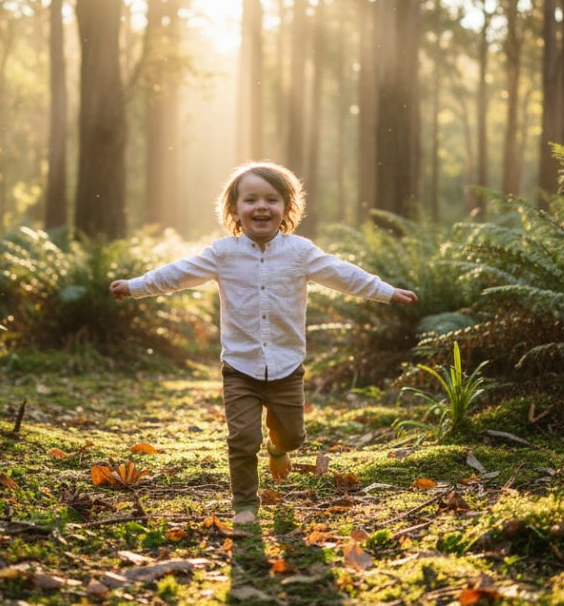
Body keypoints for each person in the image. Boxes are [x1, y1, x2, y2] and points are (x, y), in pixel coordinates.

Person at [109, 161, 418, 525]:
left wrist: (386, 291)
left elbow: (341, 274)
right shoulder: (222, 254)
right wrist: (135, 286)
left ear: (287, 209)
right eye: (250, 199)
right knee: (242, 437)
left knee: (293, 436)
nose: (261, 207)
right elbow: (179, 273)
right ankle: (245, 504)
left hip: (287, 366)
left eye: (271, 199)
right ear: (235, 210)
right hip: (240, 367)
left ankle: (277, 449)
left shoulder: (300, 252)